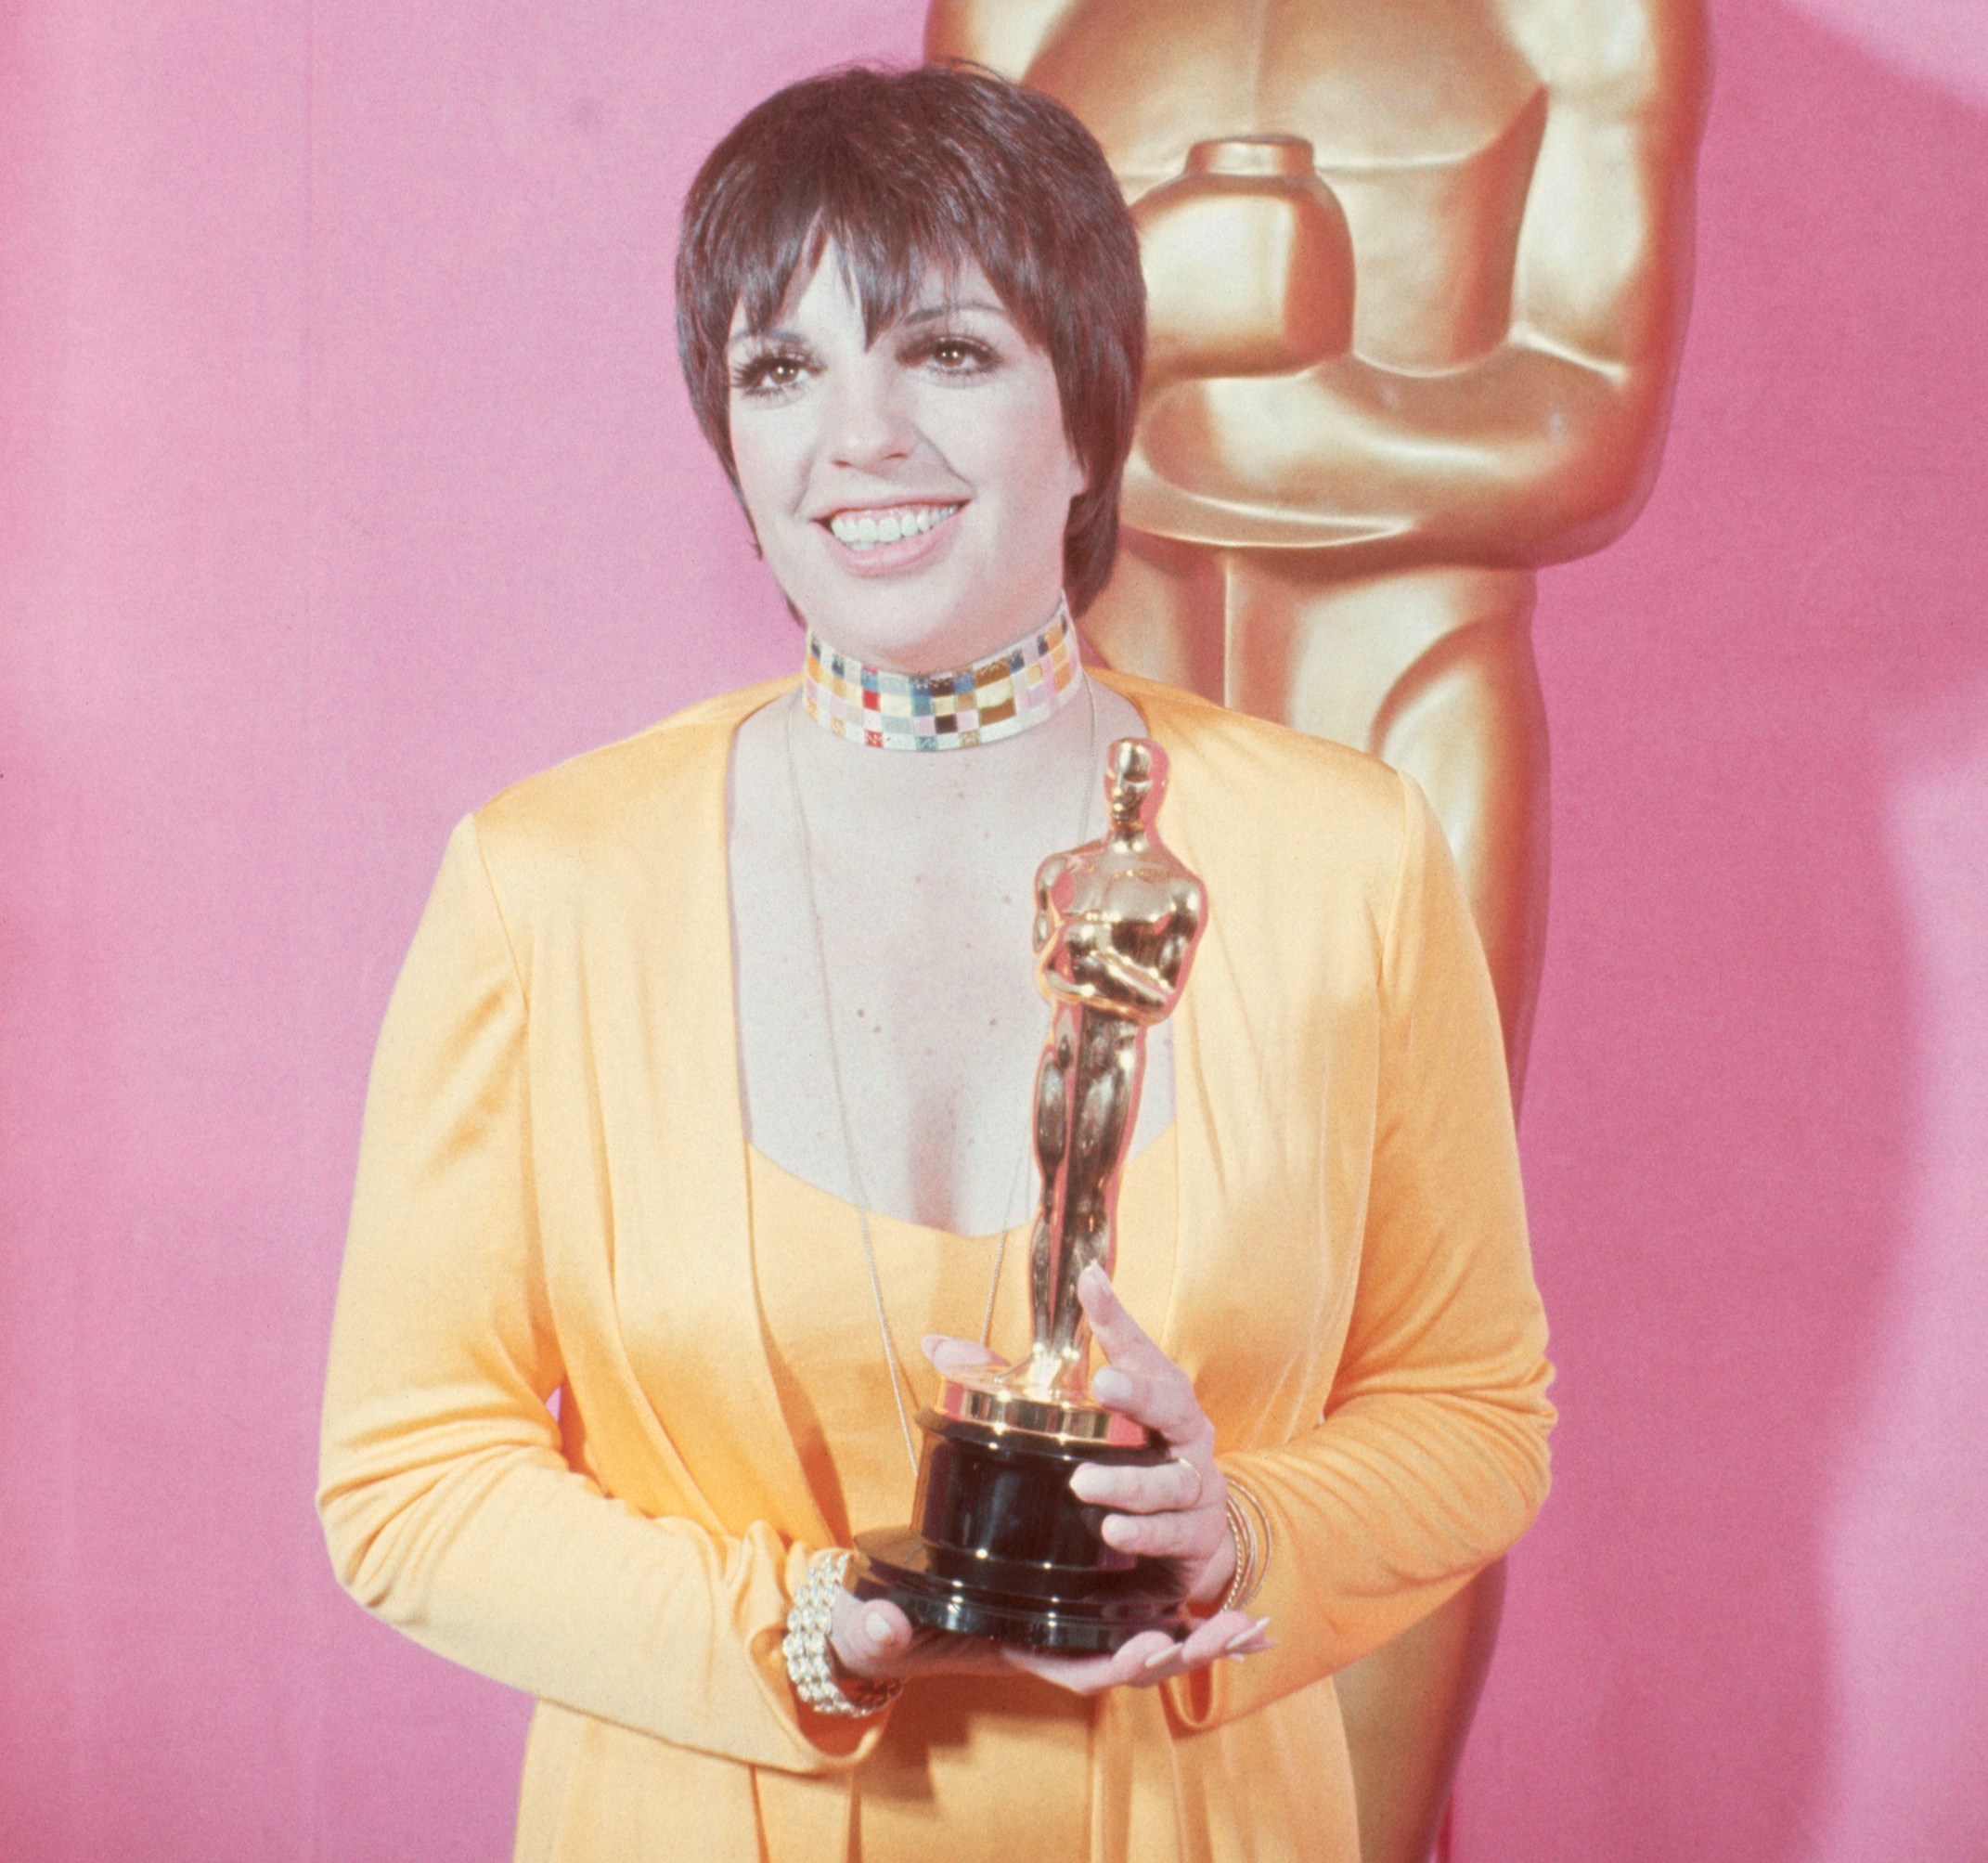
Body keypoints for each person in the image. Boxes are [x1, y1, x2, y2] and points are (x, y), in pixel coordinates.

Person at [316, 63, 1555, 1863]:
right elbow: (408, 1478)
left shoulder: (1346, 857)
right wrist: (804, 1632)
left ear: (1091, 413)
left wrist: (1241, 1533)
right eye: (781, 370)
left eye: (949, 353)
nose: (859, 437)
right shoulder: (545, 882)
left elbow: (1474, 1410)